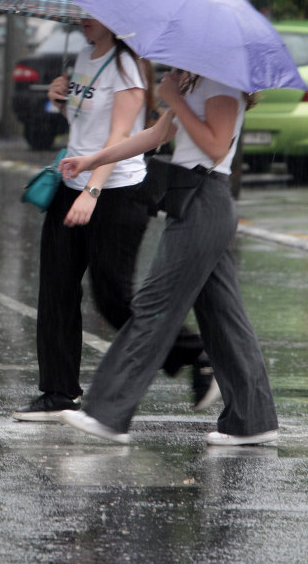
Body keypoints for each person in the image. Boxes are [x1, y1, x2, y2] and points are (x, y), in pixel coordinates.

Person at [57, 69, 279, 446]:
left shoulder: (220, 82)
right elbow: (157, 135)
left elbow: (217, 146)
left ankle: (106, 413)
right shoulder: (195, 82)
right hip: (193, 203)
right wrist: (93, 159)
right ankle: (252, 421)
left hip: (204, 203)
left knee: (154, 305)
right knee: (223, 316)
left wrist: (174, 98)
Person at [14, 19, 216, 423]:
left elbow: (119, 137)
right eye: (82, 12)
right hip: (71, 182)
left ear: (115, 20)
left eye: (95, 12)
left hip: (119, 192)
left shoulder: (127, 65)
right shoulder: (83, 57)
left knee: (112, 297)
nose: (85, 19)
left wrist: (93, 192)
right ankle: (58, 391)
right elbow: (86, 126)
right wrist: (59, 98)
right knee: (56, 288)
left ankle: (197, 354)